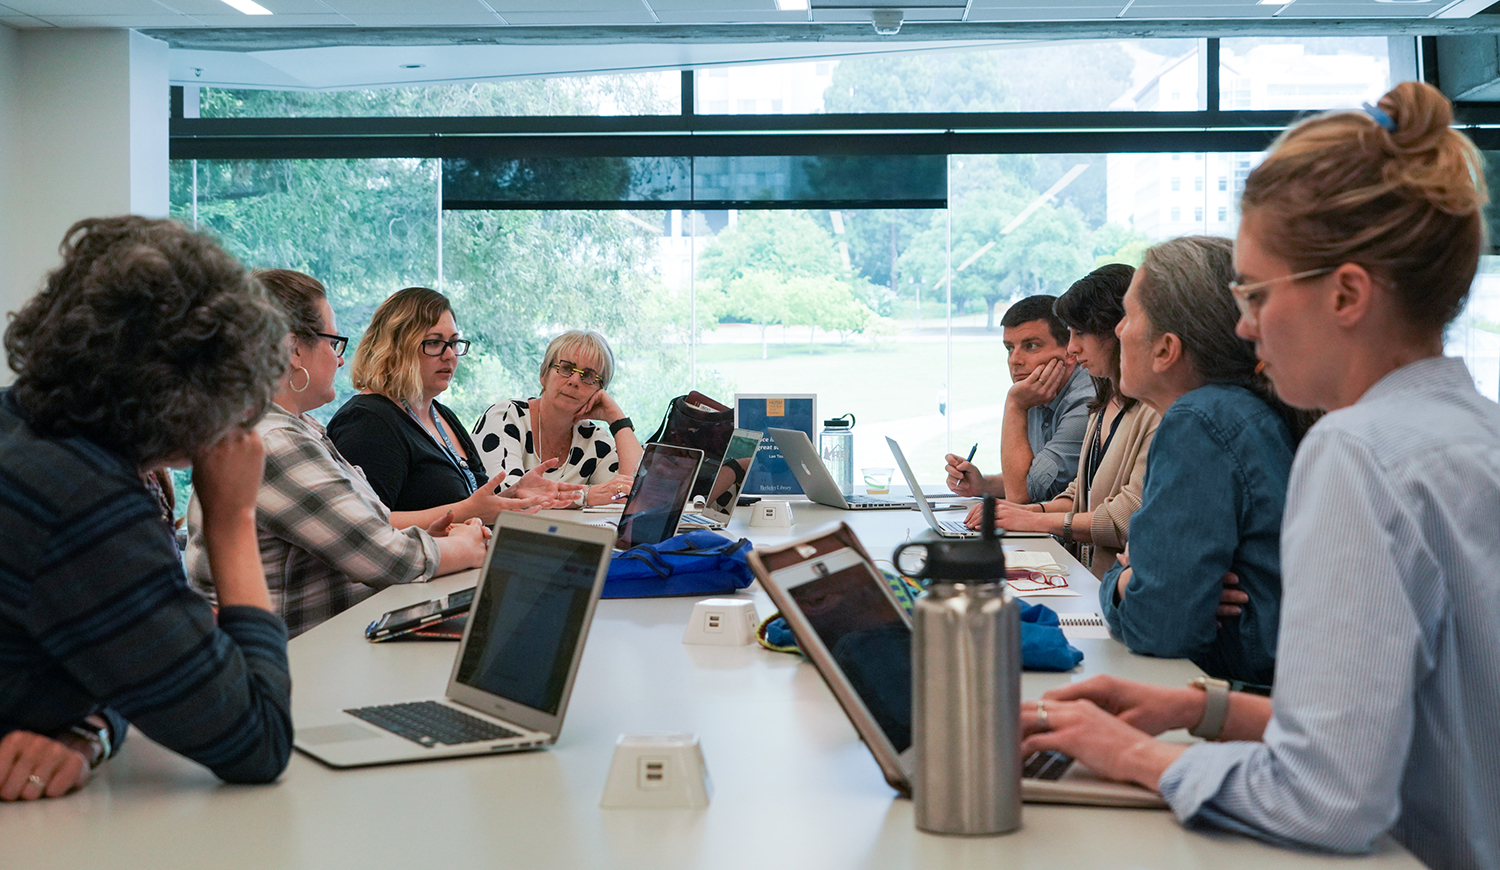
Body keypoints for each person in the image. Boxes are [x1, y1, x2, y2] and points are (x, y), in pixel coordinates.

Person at [1022, 82, 1499, 869]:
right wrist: (1202, 709)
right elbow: (1402, 727)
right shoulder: (1467, 432)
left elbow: (1329, 797)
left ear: (1346, 293)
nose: (1243, 325)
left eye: (1255, 292)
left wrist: (1131, 754)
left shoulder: (1358, 454)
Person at [0, 215, 294, 798]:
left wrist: (92, 730)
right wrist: (232, 519)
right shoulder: (84, 503)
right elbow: (258, 739)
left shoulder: (18, 425)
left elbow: (129, 667)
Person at [184, 270, 514, 638]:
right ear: (294, 350)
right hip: (295, 663)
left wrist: (433, 540)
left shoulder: (299, 429)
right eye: (332, 343)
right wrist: (464, 547)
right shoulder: (275, 441)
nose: (340, 360)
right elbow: (387, 558)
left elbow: (371, 528)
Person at [1097, 236, 1296, 688]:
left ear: (1165, 349)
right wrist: (1144, 578)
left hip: (1235, 698)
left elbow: (1159, 625)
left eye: (1128, 315)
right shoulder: (1239, 412)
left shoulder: (1199, 422)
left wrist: (1123, 581)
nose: (1117, 331)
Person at [973, 265, 1161, 580]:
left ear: (1117, 330)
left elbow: (1124, 517)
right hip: (1089, 578)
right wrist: (1023, 514)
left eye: (1080, 334)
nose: (1073, 349)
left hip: (1108, 584)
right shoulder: (1105, 400)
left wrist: (1031, 517)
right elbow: (1082, 491)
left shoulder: (1152, 409)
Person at [327, 287, 576, 517]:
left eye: (454, 343)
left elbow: (470, 504)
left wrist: (514, 495)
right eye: (434, 343)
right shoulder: (368, 420)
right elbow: (367, 525)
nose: (449, 355)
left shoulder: (442, 414)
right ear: (394, 347)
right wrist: (466, 512)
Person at [944, 294, 1093, 504]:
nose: (1014, 360)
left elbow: (1022, 495)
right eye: (1009, 348)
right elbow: (1033, 477)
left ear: (1070, 351)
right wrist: (983, 485)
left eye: (1031, 346)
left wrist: (1015, 405)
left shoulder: (1087, 401)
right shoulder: (1033, 391)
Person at [471, 330, 643, 506]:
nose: (575, 380)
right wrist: (586, 495)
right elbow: (508, 493)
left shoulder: (594, 438)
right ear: (543, 375)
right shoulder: (507, 415)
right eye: (566, 368)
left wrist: (617, 420)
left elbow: (634, 495)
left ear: (600, 390)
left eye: (588, 376)